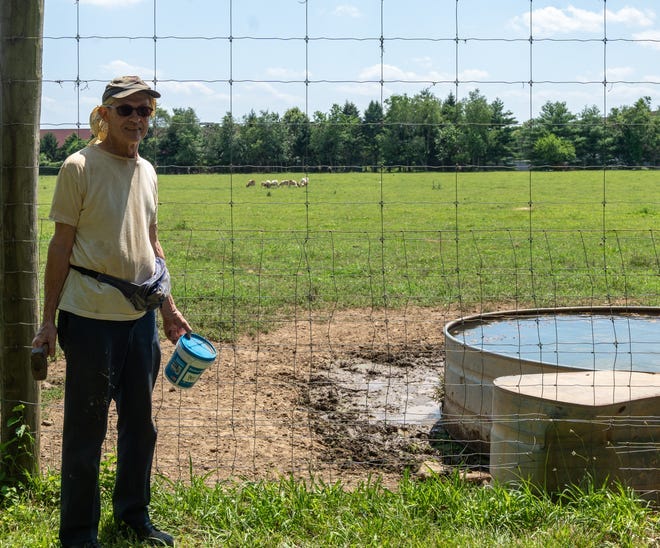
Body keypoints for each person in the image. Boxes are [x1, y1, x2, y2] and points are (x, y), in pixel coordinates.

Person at [32, 76, 191, 548]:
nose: (138, 119)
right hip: (88, 320)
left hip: (140, 323)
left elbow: (152, 244)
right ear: (104, 115)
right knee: (86, 428)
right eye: (127, 110)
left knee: (140, 427)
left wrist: (169, 309)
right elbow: (60, 246)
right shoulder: (78, 167)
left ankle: (132, 517)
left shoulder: (148, 171)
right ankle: (78, 535)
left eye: (145, 111)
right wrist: (47, 321)